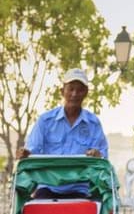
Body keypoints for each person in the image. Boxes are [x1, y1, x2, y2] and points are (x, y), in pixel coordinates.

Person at [19, 68, 109, 198]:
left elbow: (103, 160)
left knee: (95, 210)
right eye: (71, 88)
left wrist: (97, 154)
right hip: (47, 186)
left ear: (86, 93)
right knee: (33, 210)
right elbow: (31, 154)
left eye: (80, 90)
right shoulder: (45, 121)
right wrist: (25, 154)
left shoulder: (93, 124)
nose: (74, 94)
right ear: (62, 91)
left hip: (81, 189)